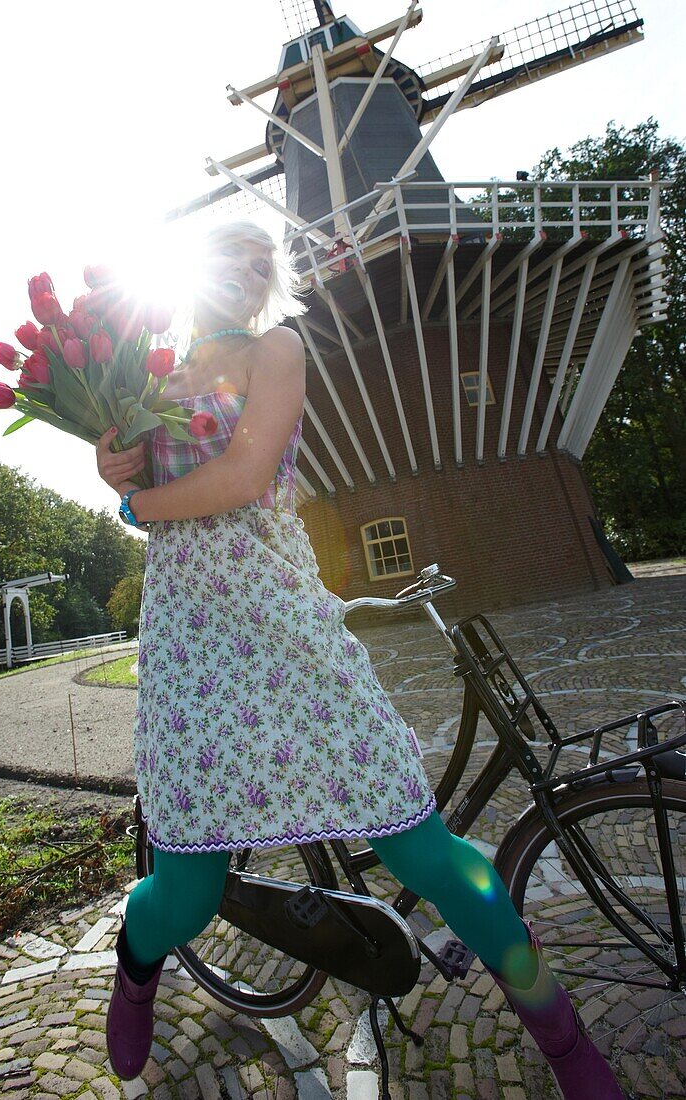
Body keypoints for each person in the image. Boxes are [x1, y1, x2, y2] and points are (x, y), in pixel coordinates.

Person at [96, 220, 624, 1098]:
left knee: (422, 847)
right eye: (220, 258)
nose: (236, 272)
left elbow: (247, 473)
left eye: (254, 261)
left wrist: (136, 507)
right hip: (194, 643)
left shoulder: (278, 347)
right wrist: (109, 463)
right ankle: (136, 971)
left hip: (286, 622)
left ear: (269, 279)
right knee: (186, 888)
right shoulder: (148, 367)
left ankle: (561, 1038)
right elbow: (121, 465)